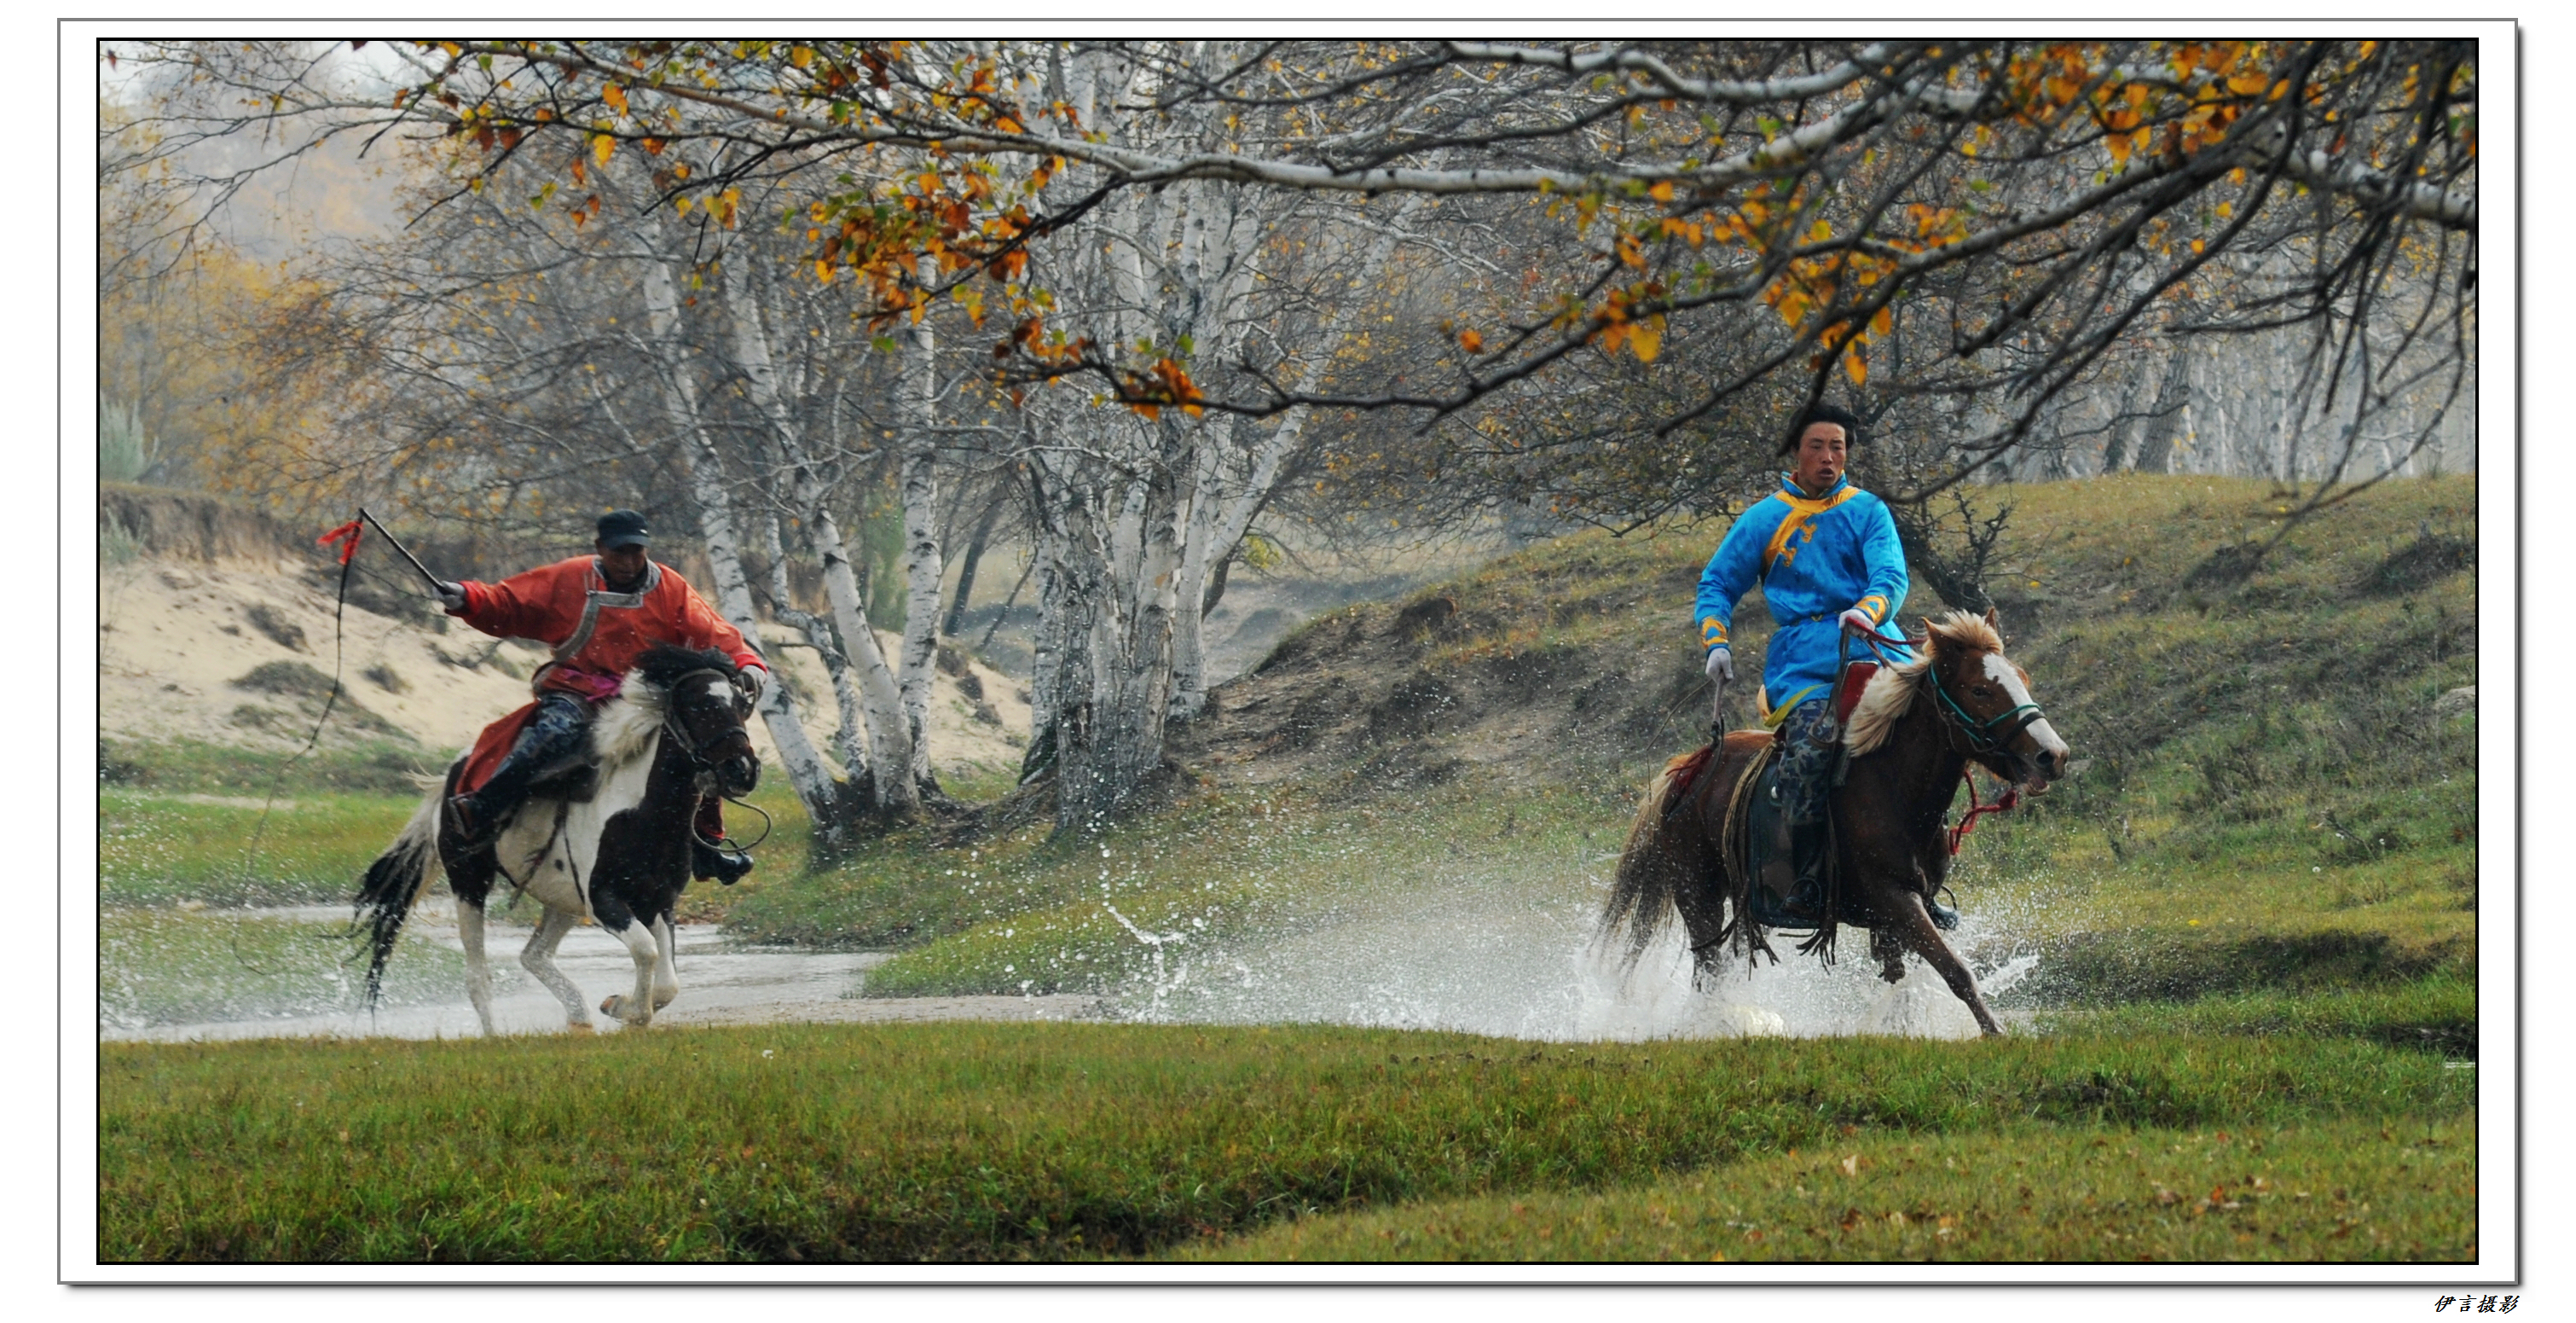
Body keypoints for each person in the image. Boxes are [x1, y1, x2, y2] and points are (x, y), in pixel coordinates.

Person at [1692, 404, 1957, 929]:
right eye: (1818, 446)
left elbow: (1891, 575)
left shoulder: (1868, 510)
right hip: (1805, 665)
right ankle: (1801, 873)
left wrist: (1868, 609)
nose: (1829, 457)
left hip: (1881, 649)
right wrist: (1717, 642)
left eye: (1837, 446)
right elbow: (1717, 585)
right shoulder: (1763, 518)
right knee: (1813, 748)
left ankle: (1925, 876)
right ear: (1797, 451)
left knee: (1936, 738)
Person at [437, 509, 769, 884]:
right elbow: (512, 601)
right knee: (555, 734)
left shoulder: (669, 587)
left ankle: (706, 845)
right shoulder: (569, 577)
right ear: (600, 548)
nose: (629, 563)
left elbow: (713, 630)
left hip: (644, 696)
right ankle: (483, 806)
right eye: (619, 554)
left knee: (698, 745)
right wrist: (467, 597)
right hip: (577, 688)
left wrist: (746, 662)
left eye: (636, 552)